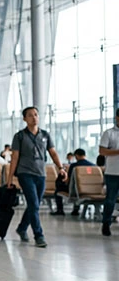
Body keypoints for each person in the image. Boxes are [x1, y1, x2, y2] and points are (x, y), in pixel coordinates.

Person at [6, 106, 67, 248]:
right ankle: (39, 235)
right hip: (25, 173)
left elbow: (53, 153)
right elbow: (14, 158)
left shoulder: (45, 135)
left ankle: (22, 228)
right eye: (30, 115)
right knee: (33, 203)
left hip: (41, 174)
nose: (34, 118)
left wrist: (61, 168)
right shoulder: (19, 136)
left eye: (36, 115)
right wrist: (9, 179)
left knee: (35, 204)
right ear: (24, 119)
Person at [51, 148, 93, 217]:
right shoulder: (93, 166)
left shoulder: (74, 166)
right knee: (76, 189)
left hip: (75, 191)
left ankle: (60, 210)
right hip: (90, 190)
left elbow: (68, 180)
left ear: (76, 156)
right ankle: (75, 210)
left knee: (58, 191)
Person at [98, 108, 119, 236]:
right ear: (117, 118)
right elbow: (102, 151)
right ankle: (106, 224)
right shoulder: (109, 133)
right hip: (113, 172)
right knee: (110, 200)